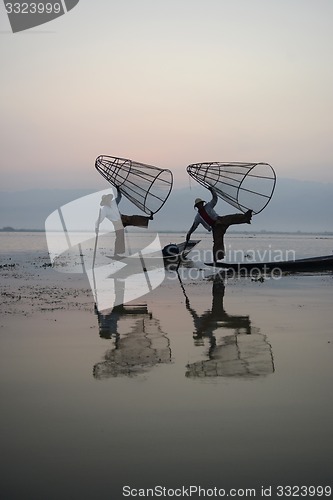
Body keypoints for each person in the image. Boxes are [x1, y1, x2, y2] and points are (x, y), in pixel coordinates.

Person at [186, 187, 252, 263]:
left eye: (201, 204)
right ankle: (216, 259)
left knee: (232, 218)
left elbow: (215, 199)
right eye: (198, 205)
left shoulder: (208, 206)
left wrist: (212, 191)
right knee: (217, 243)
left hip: (219, 220)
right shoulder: (198, 217)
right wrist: (189, 233)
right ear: (197, 207)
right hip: (215, 227)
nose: (200, 205)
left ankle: (246, 217)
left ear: (202, 204)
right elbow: (194, 226)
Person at [95, 189, 153, 255]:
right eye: (106, 200)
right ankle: (116, 253)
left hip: (123, 218)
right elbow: (100, 219)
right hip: (117, 223)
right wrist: (96, 227)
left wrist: (118, 190)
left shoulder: (114, 202)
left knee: (134, 218)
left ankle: (148, 218)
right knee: (119, 237)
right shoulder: (104, 210)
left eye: (108, 199)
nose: (108, 201)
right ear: (105, 202)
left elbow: (119, 197)